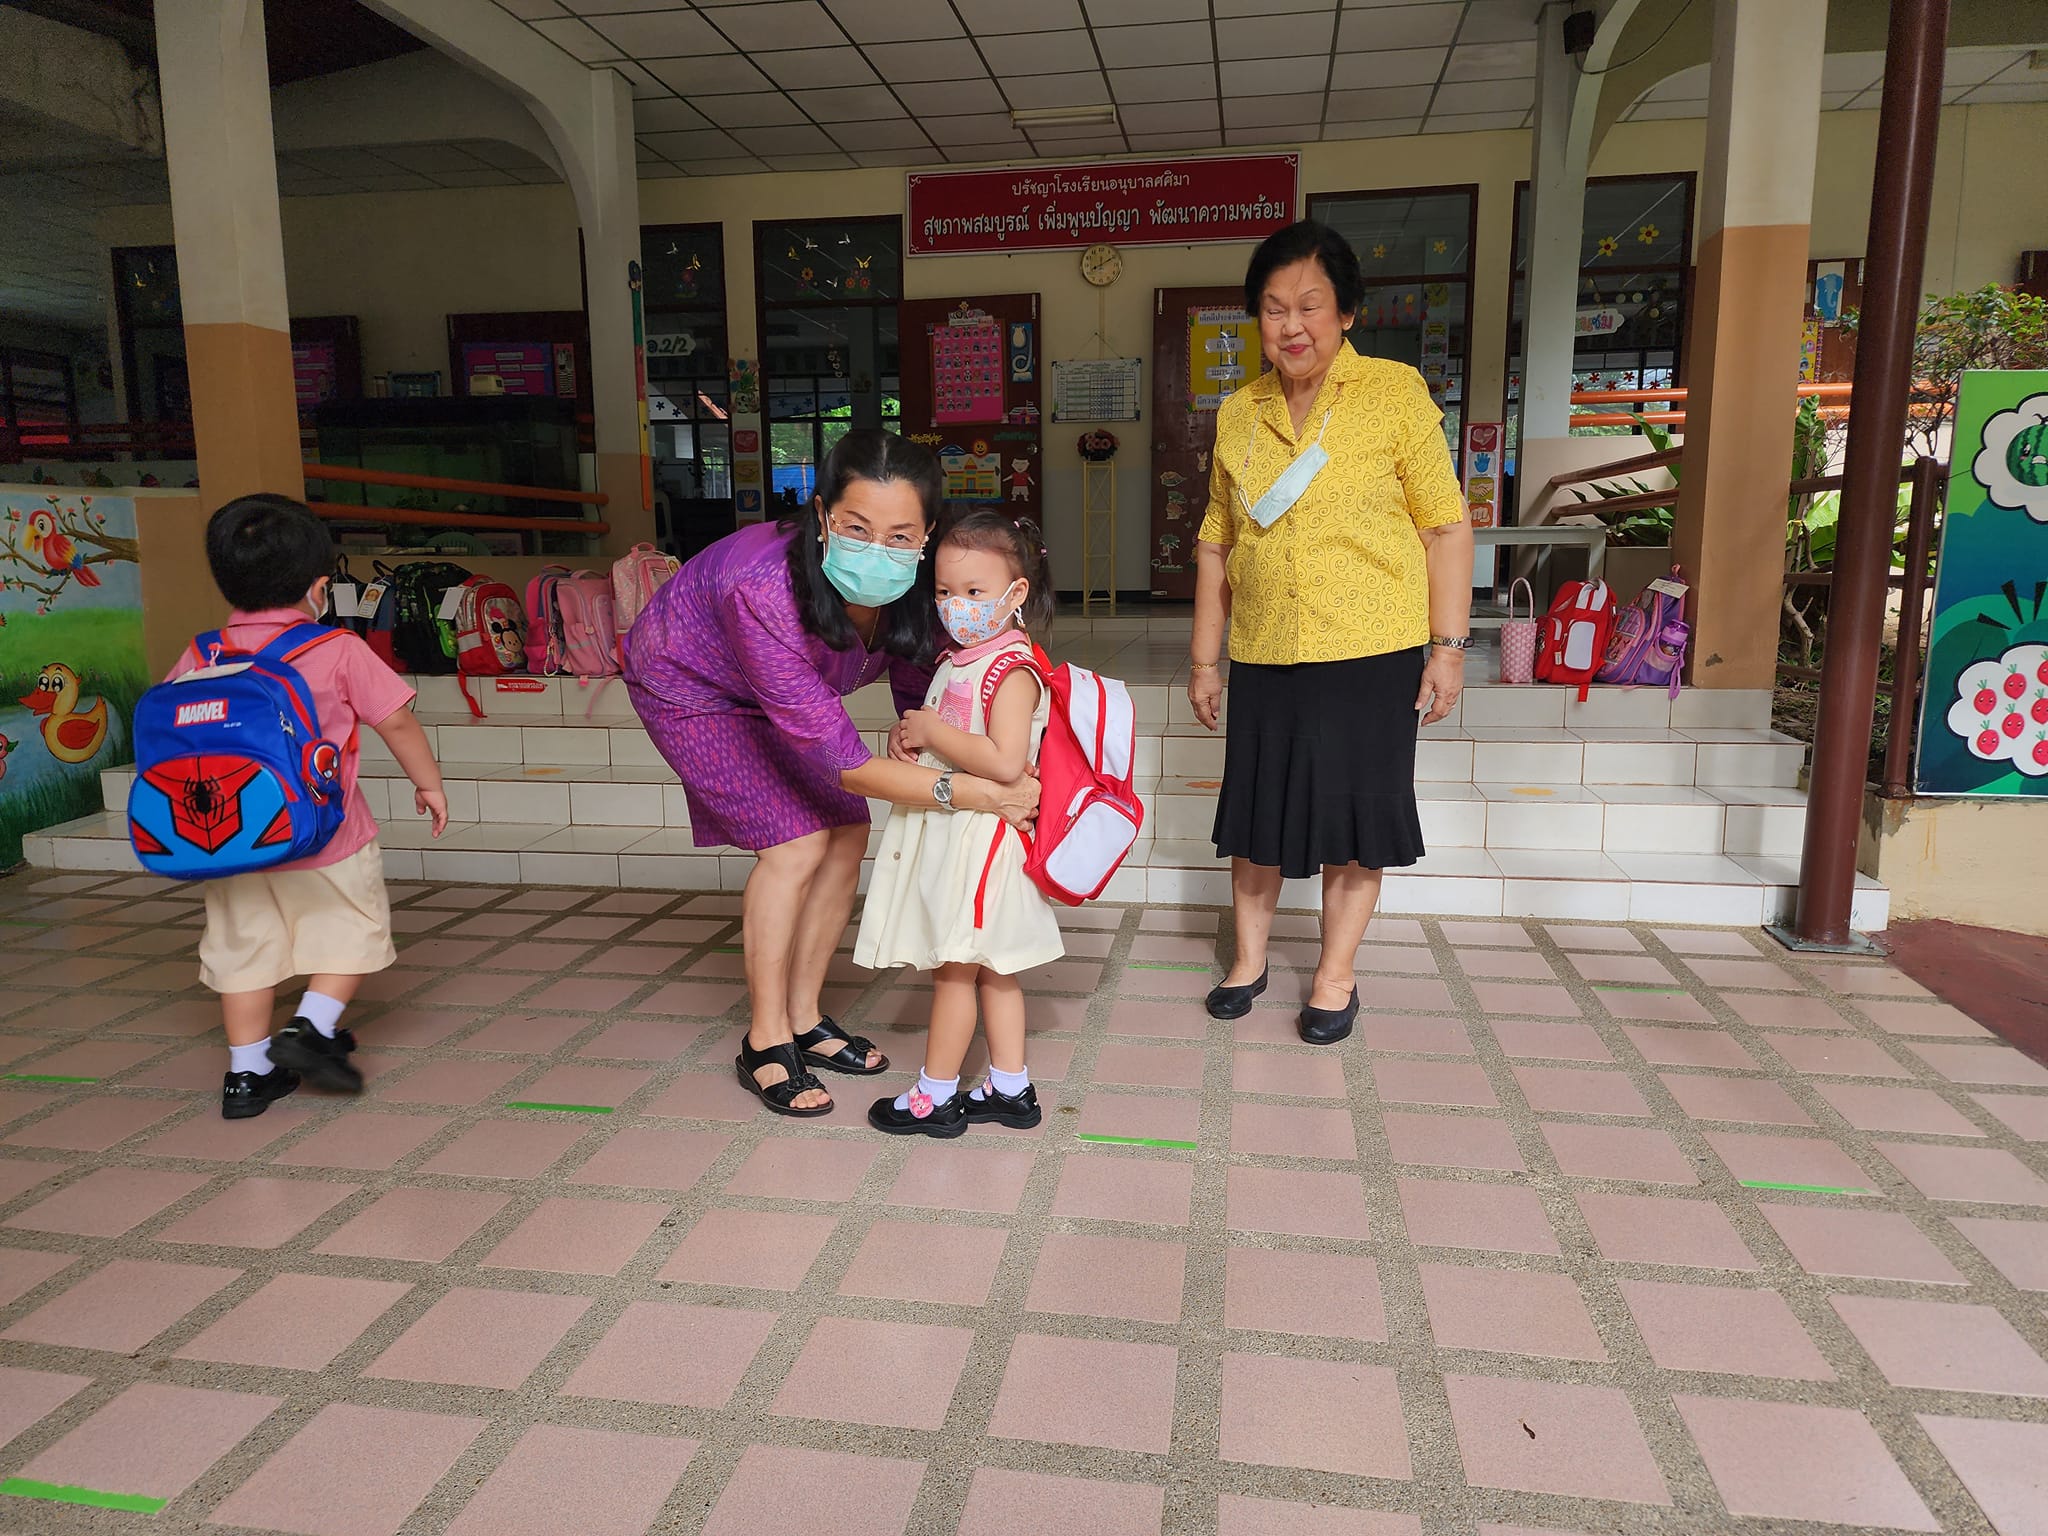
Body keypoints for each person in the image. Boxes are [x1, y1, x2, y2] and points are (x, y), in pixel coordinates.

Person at [623, 430, 1040, 1118]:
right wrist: (977, 792)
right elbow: (846, 763)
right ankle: (765, 1040)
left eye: (901, 535)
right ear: (822, 516)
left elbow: (920, 678)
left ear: (927, 533)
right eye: (856, 528)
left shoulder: (928, 579)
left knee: (846, 831)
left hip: (784, 693)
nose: (879, 550)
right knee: (794, 844)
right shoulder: (762, 588)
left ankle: (806, 1017)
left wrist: (922, 738)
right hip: (692, 685)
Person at [1188, 220, 1474, 1045]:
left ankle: (1334, 976)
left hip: (1372, 650)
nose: (1292, 326)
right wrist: (1205, 660)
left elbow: (1445, 526)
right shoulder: (1238, 414)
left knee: (1356, 819)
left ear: (1347, 312)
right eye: (1274, 308)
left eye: (1310, 305)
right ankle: (1248, 962)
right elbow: (1217, 542)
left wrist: (1447, 647)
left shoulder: (1394, 393)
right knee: (1257, 817)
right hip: (1266, 648)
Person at [173, 495, 449, 1118]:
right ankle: (310, 1027)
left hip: (232, 838)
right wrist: (428, 784)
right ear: (319, 587)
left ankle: (247, 1078)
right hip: (326, 834)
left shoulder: (204, 653)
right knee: (351, 931)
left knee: (244, 954)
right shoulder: (338, 648)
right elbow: (396, 722)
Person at [856, 510, 1060, 1138]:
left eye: (974, 591)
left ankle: (935, 1095)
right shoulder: (963, 657)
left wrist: (934, 731)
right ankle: (1010, 1088)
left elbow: (1003, 761)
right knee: (994, 967)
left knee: (954, 969)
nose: (956, 605)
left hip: (983, 842)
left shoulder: (1012, 669)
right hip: (963, 831)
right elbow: (949, 736)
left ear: (1015, 593)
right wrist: (914, 738)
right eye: (944, 591)